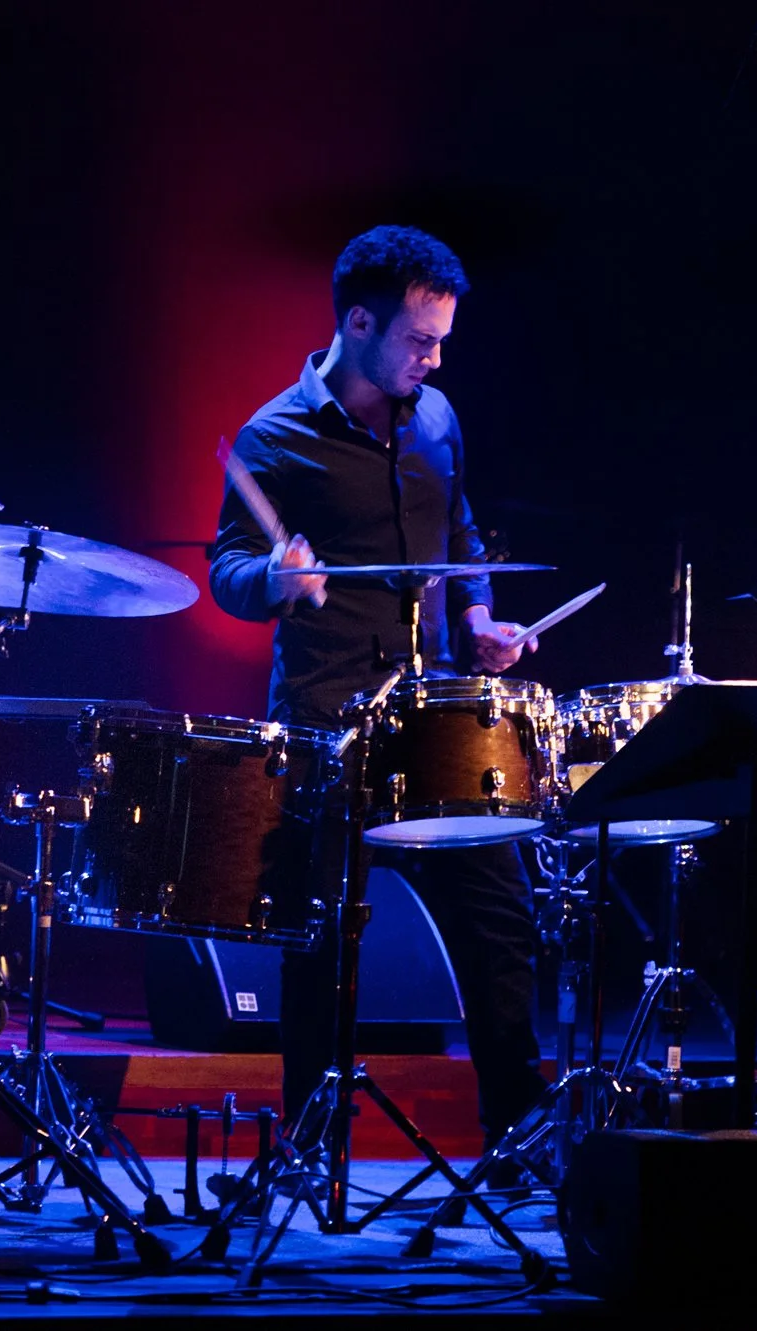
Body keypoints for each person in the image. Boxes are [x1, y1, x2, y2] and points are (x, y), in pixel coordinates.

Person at [208, 224, 548, 1148]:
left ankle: (516, 1136)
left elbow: (458, 530)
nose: (435, 360)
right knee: (321, 942)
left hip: (434, 714)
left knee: (501, 920)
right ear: (358, 323)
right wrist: (273, 579)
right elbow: (227, 568)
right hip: (327, 724)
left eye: (441, 341)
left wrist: (478, 615)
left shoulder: (436, 418)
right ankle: (312, 1148)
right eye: (419, 340)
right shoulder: (274, 437)